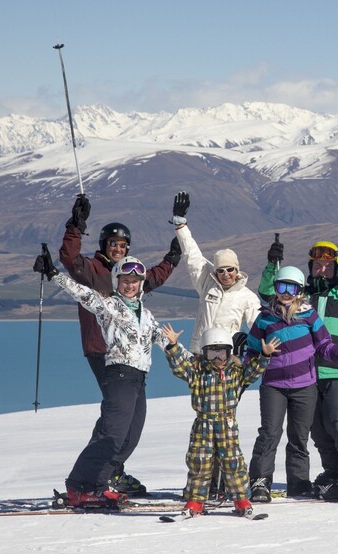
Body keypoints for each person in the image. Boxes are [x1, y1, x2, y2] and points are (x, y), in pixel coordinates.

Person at [257, 191, 338, 499]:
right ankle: (333, 470)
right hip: (308, 375)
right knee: (319, 430)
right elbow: (267, 294)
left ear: (335, 267)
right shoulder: (299, 299)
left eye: (327, 265)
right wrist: (271, 263)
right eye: (316, 264)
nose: (321, 269)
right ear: (310, 266)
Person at [58, 194, 179, 496]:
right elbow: (70, 261)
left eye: (123, 246)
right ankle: (94, 478)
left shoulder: (127, 274)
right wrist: (76, 225)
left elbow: (149, 279)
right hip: (102, 350)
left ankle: (109, 472)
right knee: (116, 419)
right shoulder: (92, 270)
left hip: (132, 360)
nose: (118, 249)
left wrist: (172, 259)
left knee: (125, 421)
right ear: (103, 245)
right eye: (113, 244)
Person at [33, 248, 171, 507]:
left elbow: (163, 341)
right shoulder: (109, 306)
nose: (130, 285)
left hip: (139, 378)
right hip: (119, 374)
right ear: (118, 281)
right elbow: (84, 294)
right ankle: (80, 486)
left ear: (141, 284)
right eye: (125, 280)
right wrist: (54, 274)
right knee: (112, 434)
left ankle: (99, 483)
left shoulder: (146, 315)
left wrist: (186, 353)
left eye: (135, 281)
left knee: (130, 436)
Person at [244, 265, 338, 502]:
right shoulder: (265, 317)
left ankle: (299, 483)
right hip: (274, 386)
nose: (286, 292)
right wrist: (244, 369)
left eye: (292, 287)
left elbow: (325, 346)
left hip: (304, 386)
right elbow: (251, 351)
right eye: (282, 286)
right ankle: (260, 481)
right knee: (270, 433)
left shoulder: (309, 314)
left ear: (300, 290)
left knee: (299, 437)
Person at [161, 325, 281, 519]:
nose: (217, 359)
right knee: (199, 461)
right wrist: (173, 346)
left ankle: (241, 500)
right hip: (204, 424)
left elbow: (254, 372)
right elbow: (179, 367)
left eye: (222, 353)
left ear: (229, 352)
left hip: (227, 424)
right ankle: (195, 501)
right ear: (204, 353)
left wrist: (264, 356)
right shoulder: (197, 371)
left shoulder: (236, 372)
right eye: (212, 353)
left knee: (232, 461)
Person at [171, 191, 261, 352]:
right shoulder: (207, 283)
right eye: (220, 270)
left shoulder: (248, 297)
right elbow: (192, 255)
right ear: (215, 271)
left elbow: (258, 326)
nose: (226, 274)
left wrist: (257, 343)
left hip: (227, 356)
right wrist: (180, 225)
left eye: (230, 269)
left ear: (237, 270)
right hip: (200, 353)